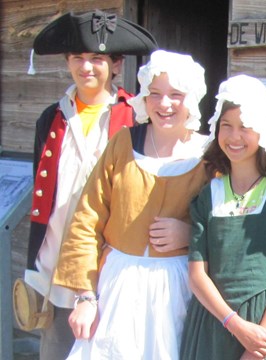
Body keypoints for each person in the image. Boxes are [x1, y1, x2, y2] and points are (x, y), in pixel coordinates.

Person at [52, 49, 209, 359]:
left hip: (179, 291)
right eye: (155, 94)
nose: (164, 104)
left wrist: (191, 234)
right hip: (117, 289)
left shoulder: (210, 156)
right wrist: (85, 296)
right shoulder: (123, 144)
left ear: (191, 97)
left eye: (176, 94)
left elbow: (228, 226)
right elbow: (87, 218)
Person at [24, 10, 157, 360]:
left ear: (115, 65)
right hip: (60, 271)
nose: (86, 67)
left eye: (97, 58)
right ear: (68, 62)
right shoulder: (50, 119)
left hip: (117, 267)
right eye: (78, 58)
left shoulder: (138, 119)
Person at [179, 74, 266, 360]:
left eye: (245, 127)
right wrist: (234, 324)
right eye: (227, 126)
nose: (235, 137)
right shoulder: (207, 196)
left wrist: (257, 344)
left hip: (263, 330)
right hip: (212, 324)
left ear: (263, 131)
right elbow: (197, 275)